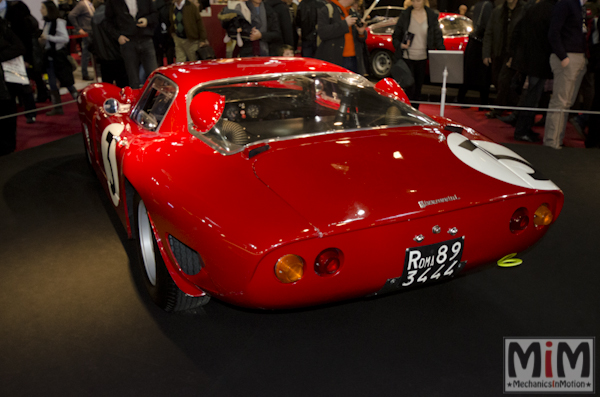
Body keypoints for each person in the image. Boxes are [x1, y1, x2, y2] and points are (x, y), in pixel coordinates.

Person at [509, 0, 556, 142]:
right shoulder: (551, 9)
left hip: (530, 59)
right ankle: (522, 130)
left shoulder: (532, 9)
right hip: (540, 60)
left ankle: (524, 128)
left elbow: (518, 31)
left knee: (530, 96)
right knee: (532, 97)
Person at [544, 0, 587, 149]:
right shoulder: (566, 4)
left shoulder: (580, 7)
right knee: (560, 102)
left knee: (566, 103)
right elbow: (553, 32)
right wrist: (563, 57)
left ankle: (557, 140)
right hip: (568, 57)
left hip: (577, 58)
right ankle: (552, 142)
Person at [391, 0, 444, 107]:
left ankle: (415, 116)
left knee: (418, 90)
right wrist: (401, 45)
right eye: (413, 0)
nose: (415, 3)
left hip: (422, 58)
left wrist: (443, 54)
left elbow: (437, 36)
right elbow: (395, 36)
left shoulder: (431, 15)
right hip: (407, 57)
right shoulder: (405, 15)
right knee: (409, 89)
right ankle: (406, 114)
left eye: (418, 0)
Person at [482, 0, 525, 120]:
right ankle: (513, 106)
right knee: (497, 80)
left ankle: (499, 109)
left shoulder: (524, 10)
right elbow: (489, 32)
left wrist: (516, 56)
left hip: (512, 54)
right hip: (498, 52)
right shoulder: (498, 11)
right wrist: (486, 53)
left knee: (503, 80)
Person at [104, 0, 158, 88]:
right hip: (128, 42)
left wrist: (147, 20)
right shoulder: (113, 2)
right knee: (133, 79)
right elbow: (107, 22)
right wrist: (118, 36)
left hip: (146, 39)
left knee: (154, 76)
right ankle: (136, 99)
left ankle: (156, 98)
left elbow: (155, 15)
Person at [40, 0, 78, 116]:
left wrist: (48, 37)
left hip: (59, 57)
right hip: (50, 57)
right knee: (52, 83)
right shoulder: (47, 22)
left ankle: (80, 102)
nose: (41, 11)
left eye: (43, 8)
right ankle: (57, 107)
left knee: (67, 81)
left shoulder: (58, 22)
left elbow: (65, 39)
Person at [456, 0, 492, 107]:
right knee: (483, 75)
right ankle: (483, 102)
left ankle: (461, 98)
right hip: (480, 43)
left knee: (468, 73)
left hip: (474, 42)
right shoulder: (487, 5)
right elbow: (484, 26)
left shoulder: (478, 5)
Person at [315, 0, 367, 73]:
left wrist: (361, 32)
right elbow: (323, 33)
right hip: (336, 59)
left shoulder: (352, 12)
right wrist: (345, 24)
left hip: (354, 59)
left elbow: (361, 39)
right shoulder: (327, 10)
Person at [0, 13, 25, 155]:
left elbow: (19, 47)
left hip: (6, 83)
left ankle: (8, 150)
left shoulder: (4, 26)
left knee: (8, 118)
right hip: (6, 84)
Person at [91, 0, 128, 87]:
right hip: (116, 54)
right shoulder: (111, 14)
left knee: (107, 87)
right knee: (122, 86)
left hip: (103, 56)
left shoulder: (94, 16)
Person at [68, 0, 95, 80]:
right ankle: (85, 73)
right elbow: (71, 15)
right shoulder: (82, 4)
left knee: (88, 53)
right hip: (86, 32)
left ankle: (87, 73)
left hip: (91, 31)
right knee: (86, 53)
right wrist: (78, 28)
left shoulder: (88, 4)